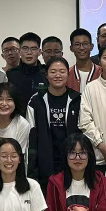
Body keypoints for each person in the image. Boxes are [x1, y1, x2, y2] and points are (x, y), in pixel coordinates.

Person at [27, 57, 81, 191]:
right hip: (44, 165)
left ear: (68, 74)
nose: (58, 75)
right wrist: (32, 171)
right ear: (46, 75)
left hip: (72, 163)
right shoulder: (36, 101)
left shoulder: (77, 100)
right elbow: (31, 138)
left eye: (62, 71)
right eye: (53, 72)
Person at [7, 32, 47, 104]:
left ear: (39, 52)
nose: (29, 52)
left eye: (33, 49)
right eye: (25, 48)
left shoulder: (47, 73)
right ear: (19, 51)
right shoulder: (10, 75)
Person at [66, 28, 99, 93]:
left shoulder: (102, 73)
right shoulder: (67, 75)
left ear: (92, 46)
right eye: (77, 44)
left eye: (85, 44)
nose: (81, 48)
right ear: (71, 48)